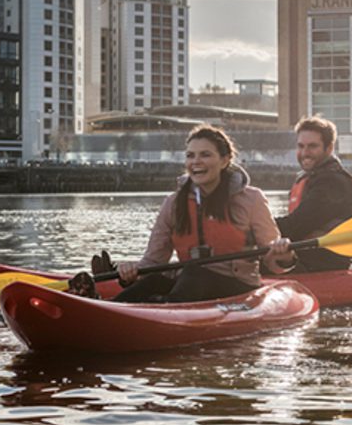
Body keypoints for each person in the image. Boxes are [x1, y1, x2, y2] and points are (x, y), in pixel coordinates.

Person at [112, 124, 297, 303]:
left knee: (195, 272)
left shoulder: (252, 199)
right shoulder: (173, 203)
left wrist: (283, 254)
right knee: (155, 281)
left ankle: (167, 307)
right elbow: (154, 260)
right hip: (188, 283)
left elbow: (273, 260)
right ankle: (115, 306)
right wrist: (131, 273)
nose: (195, 162)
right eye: (190, 156)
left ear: (224, 160)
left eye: (205, 155)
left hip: (237, 286)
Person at [271, 116, 352, 273]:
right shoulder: (310, 178)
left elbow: (297, 226)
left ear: (329, 148)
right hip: (302, 258)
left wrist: (251, 230)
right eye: (300, 146)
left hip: (323, 264)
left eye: (312, 146)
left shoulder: (332, 182)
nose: (304, 153)